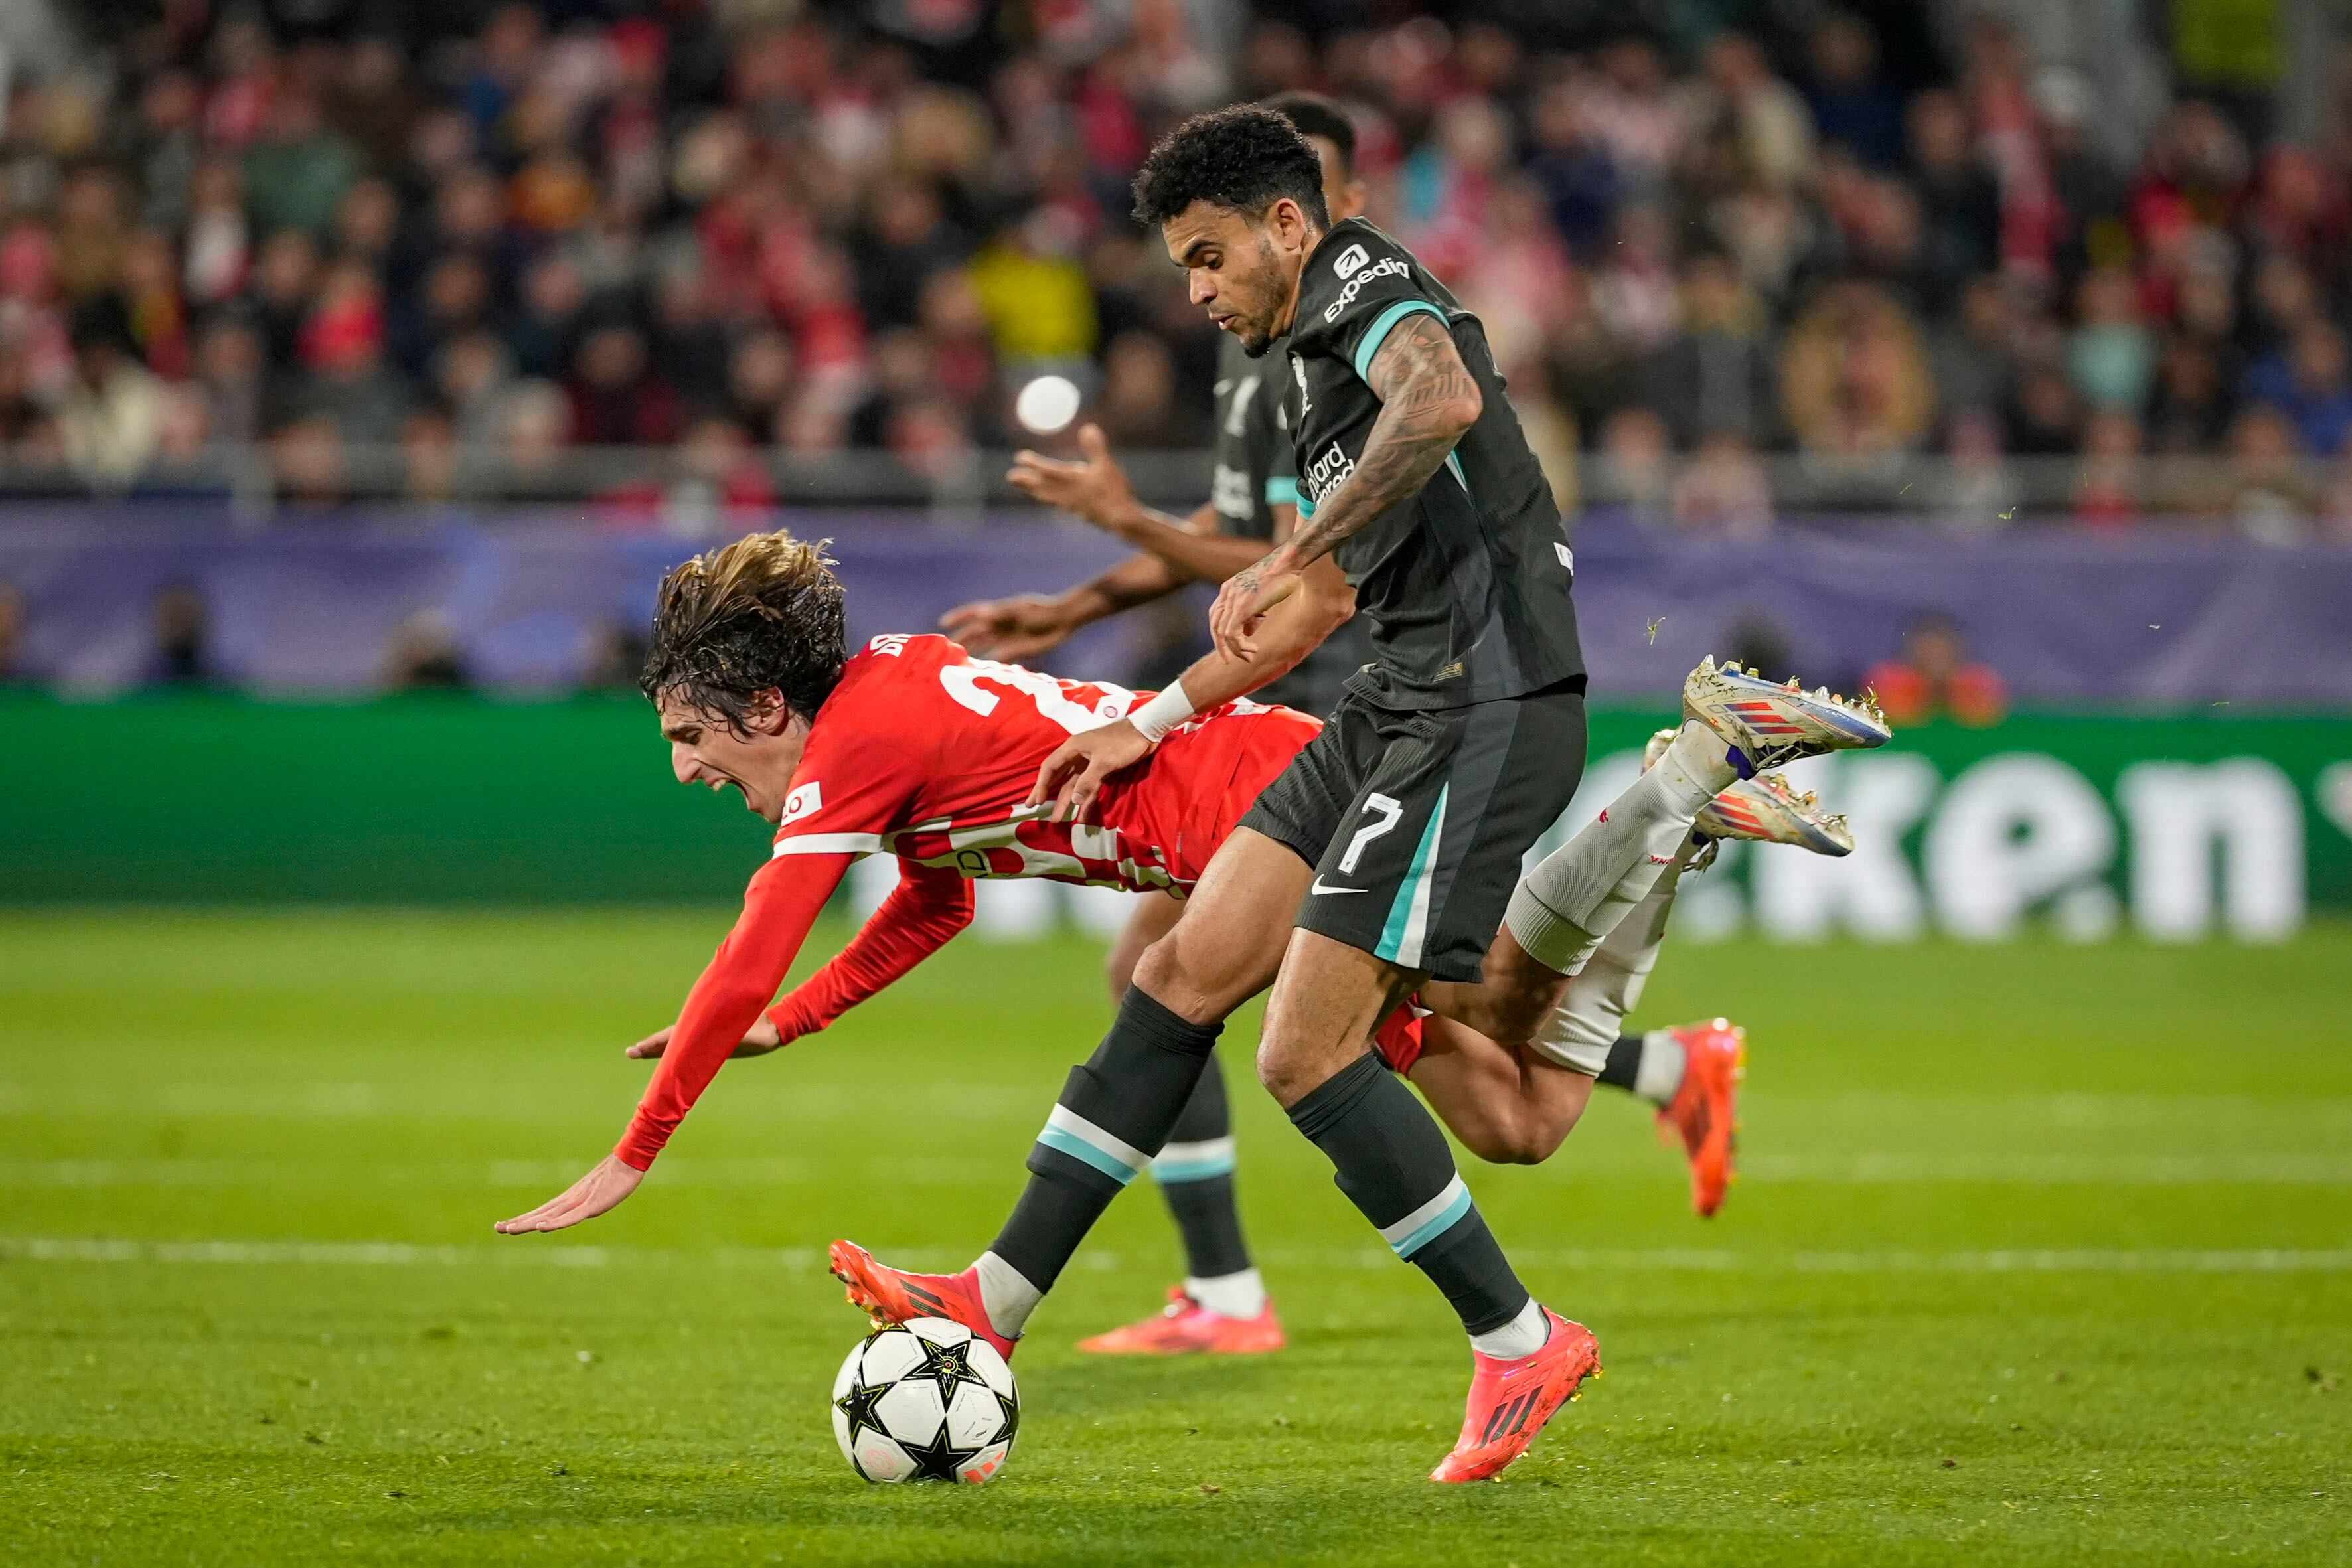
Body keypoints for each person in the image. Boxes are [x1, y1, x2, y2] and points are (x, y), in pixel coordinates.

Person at [819, 108, 1887, 1481]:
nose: (1194, 292)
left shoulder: (1362, 284)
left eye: (1207, 257)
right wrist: (1146, 721)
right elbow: (1311, 597)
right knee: (1185, 968)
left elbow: (1436, 403)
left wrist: (1288, 551)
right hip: (1392, 701)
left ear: (1285, 222)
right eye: (1179, 268)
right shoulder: (1310, 375)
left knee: (1323, 1052)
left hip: (1476, 707)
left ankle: (1518, 1337)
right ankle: (993, 1298)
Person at [493, 529, 1865, 1263]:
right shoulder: (880, 708)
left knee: (1470, 991)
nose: (686, 769)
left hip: (1266, 815)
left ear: (764, 703)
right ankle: (1687, 827)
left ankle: (1684, 765)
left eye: (693, 736)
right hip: (1244, 818)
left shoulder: (851, 747)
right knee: (1522, 1111)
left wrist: (642, 1141)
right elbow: (936, 904)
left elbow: (754, 935)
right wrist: (787, 1030)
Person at [937, 91, 1377, 1355]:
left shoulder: (1349, 346)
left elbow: (1291, 558)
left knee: (1244, 985)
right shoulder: (1264, 368)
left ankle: (1232, 1293)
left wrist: (1131, 531)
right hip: (1278, 687)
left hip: (1342, 693)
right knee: (1235, 979)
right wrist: (1073, 602)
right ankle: (1224, 1291)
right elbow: (1237, 551)